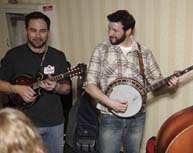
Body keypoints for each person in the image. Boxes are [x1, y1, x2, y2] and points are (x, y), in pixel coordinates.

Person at [84, 10, 179, 153]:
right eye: (109, 28)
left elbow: (156, 83)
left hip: (137, 118)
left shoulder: (144, 52)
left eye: (115, 30)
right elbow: (89, 85)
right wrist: (111, 103)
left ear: (128, 31)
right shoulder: (101, 50)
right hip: (109, 116)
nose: (110, 33)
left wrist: (168, 83)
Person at [0, 12, 71, 153]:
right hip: (25, 124)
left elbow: (67, 89)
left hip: (55, 123)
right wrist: (16, 89)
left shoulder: (58, 56)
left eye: (42, 31)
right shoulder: (13, 55)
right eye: (33, 30)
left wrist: (57, 87)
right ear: (26, 30)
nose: (38, 36)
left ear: (48, 32)